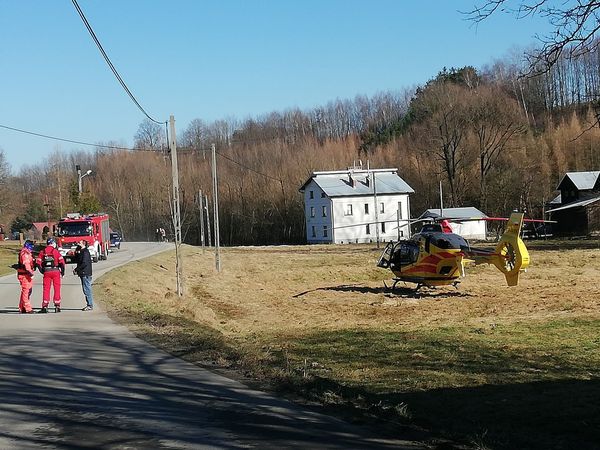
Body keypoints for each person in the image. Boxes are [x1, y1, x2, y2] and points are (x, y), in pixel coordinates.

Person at [36, 238, 65, 313]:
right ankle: (57, 305)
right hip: (55, 271)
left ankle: (45, 306)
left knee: (46, 289)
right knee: (57, 288)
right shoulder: (56, 251)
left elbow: (38, 263)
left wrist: (42, 271)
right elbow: (62, 262)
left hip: (46, 271)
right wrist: (62, 272)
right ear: (53, 243)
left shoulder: (43, 252)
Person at [73, 240, 94, 311]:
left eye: (79, 243)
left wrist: (77, 269)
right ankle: (89, 304)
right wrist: (76, 251)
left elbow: (84, 263)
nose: (78, 243)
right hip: (83, 273)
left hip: (86, 273)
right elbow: (76, 259)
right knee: (85, 289)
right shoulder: (81, 251)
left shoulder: (85, 252)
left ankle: (90, 305)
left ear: (83, 244)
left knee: (87, 289)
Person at [17, 240, 36, 314]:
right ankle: (27, 308)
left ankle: (22, 307)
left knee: (27, 291)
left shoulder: (27, 252)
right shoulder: (25, 253)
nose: (32, 247)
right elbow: (26, 264)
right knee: (26, 291)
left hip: (26, 274)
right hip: (24, 275)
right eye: (31, 245)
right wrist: (30, 273)